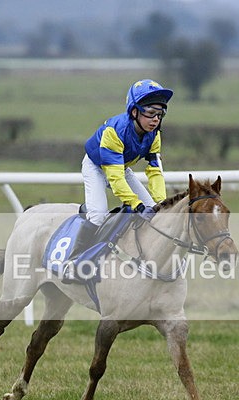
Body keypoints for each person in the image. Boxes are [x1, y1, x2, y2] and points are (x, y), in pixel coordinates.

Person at [62, 79, 173, 280]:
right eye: (150, 112)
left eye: (160, 114)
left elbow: (155, 172)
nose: (155, 119)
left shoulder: (154, 135)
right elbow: (114, 178)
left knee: (154, 211)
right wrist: (136, 205)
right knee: (98, 216)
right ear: (134, 111)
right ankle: (73, 261)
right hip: (96, 167)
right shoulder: (115, 131)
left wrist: (161, 202)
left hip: (121, 167)